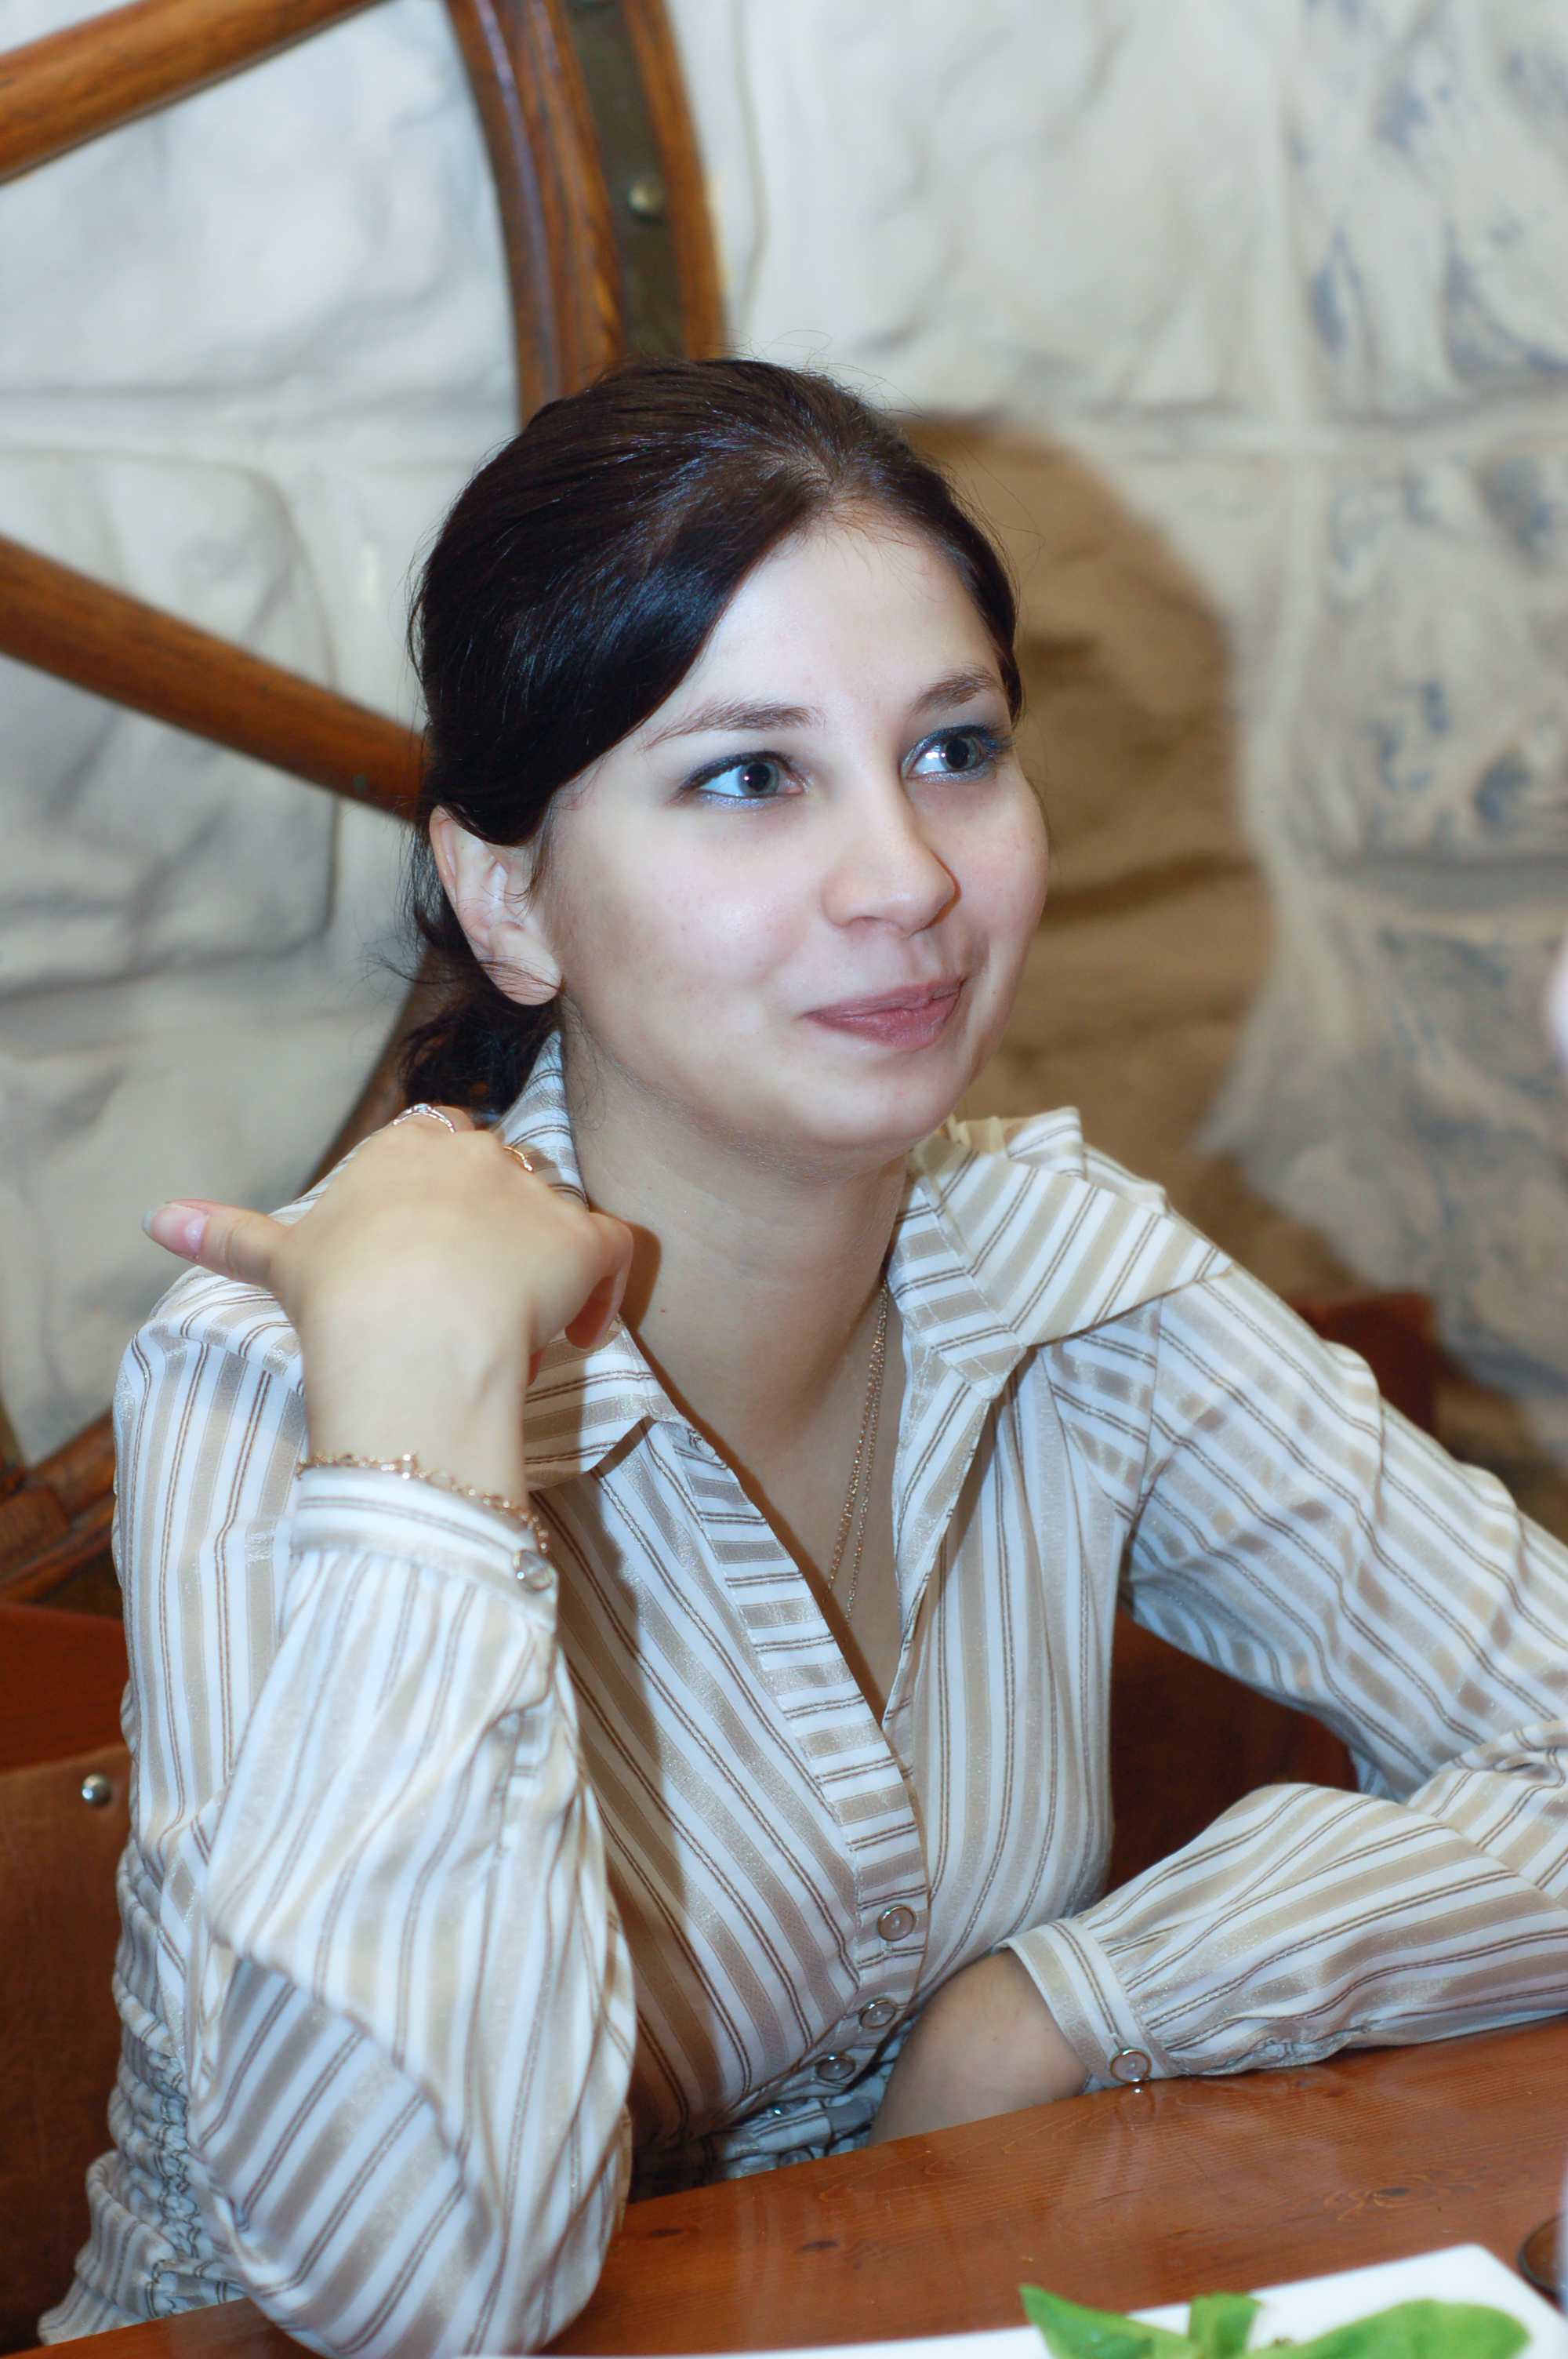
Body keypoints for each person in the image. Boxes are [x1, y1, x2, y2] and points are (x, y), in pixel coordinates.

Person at [43, 361, 1568, 2358]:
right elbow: (413, 2294)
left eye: (953, 749)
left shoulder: (1057, 1274)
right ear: (509, 896)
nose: (907, 877)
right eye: (751, 777)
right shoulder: (274, 1377)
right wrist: (420, 1420)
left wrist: (1068, 2004)